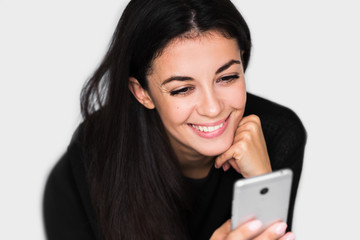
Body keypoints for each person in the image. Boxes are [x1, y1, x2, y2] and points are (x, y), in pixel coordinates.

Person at [43, 0, 306, 239]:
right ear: (142, 92)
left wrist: (263, 182)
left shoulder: (278, 132)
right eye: (182, 89)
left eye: (227, 77)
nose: (213, 108)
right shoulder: (95, 152)